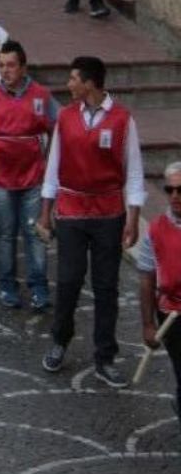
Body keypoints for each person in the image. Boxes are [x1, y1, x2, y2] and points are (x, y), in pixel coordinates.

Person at [40, 55, 144, 384]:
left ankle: (105, 355)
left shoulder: (122, 120)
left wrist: (133, 217)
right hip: (70, 211)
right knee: (69, 281)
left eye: (73, 79)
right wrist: (46, 210)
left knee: (106, 287)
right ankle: (60, 340)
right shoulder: (66, 118)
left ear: (90, 83)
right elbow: (53, 166)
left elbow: (135, 172)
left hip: (108, 214)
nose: (68, 84)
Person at [0, 40, 58, 309]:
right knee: (6, 233)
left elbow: (57, 130)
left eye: (10, 65)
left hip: (34, 177)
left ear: (23, 67)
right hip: (1, 178)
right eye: (2, 66)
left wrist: (52, 168)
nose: (5, 71)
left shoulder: (42, 96)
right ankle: (7, 285)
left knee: (35, 233)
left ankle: (39, 288)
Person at [136, 162, 181, 430]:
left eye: (180, 189)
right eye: (169, 190)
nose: (175, 195)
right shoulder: (155, 230)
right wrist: (148, 324)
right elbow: (146, 278)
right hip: (172, 315)